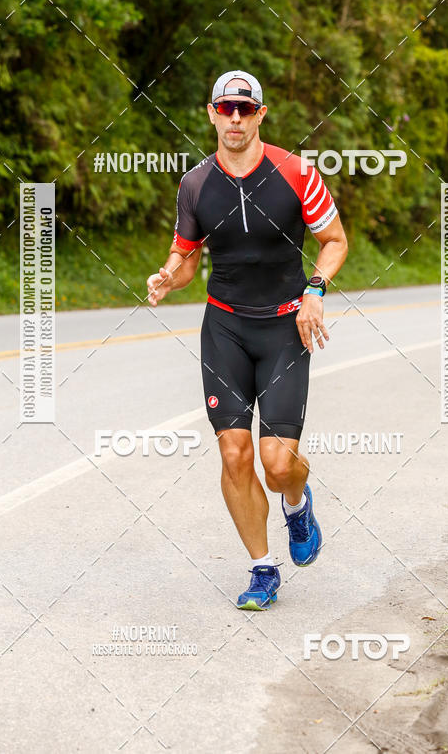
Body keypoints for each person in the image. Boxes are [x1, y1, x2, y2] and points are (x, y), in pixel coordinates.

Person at [147, 70, 348, 610]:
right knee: (235, 455)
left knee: (278, 464)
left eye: (244, 108)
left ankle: (297, 503)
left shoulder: (296, 172)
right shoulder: (195, 184)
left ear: (261, 114)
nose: (234, 117)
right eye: (225, 108)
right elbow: (187, 257)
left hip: (286, 328)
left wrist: (315, 290)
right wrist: (169, 275)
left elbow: (333, 241)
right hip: (226, 328)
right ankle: (263, 568)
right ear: (211, 113)